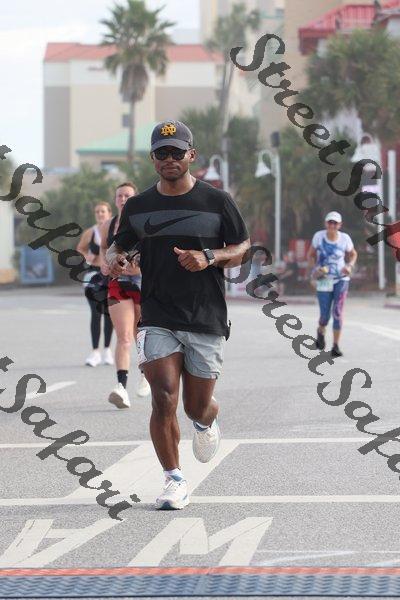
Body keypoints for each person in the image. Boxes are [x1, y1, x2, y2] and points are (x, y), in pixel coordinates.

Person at [106, 120, 250, 510]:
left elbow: (242, 247)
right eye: (161, 152)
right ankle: (174, 479)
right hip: (157, 314)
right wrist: (115, 258)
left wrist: (209, 257)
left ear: (191, 155)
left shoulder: (217, 201)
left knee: (194, 406)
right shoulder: (138, 207)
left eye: (176, 152)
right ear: (153, 158)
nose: (169, 158)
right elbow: (118, 246)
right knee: (163, 396)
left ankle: (206, 419)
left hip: (206, 315)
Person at [100, 182, 151, 409]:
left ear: (135, 198)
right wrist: (105, 264)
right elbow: (104, 250)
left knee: (141, 334)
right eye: (119, 196)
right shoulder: (108, 225)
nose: (123, 199)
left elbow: (153, 251)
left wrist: (140, 266)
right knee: (124, 337)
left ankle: (146, 376)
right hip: (118, 283)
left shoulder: (144, 222)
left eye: (127, 196)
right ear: (115, 200)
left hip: (142, 283)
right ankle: (121, 387)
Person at [307, 211, 358, 357]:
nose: (332, 225)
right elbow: (310, 255)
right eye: (330, 222)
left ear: (340, 225)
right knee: (325, 316)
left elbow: (353, 254)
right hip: (324, 280)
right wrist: (315, 269)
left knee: (337, 312)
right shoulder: (319, 237)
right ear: (326, 223)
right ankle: (320, 331)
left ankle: (335, 346)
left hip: (341, 279)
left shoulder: (345, 238)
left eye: (335, 223)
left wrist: (349, 266)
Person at [76, 202, 114, 367]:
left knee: (109, 313)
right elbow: (80, 249)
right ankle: (95, 352)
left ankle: (107, 350)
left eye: (103, 211)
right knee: (96, 312)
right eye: (97, 212)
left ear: (109, 213)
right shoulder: (90, 232)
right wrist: (87, 257)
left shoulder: (114, 229)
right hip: (93, 276)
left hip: (111, 276)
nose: (100, 214)